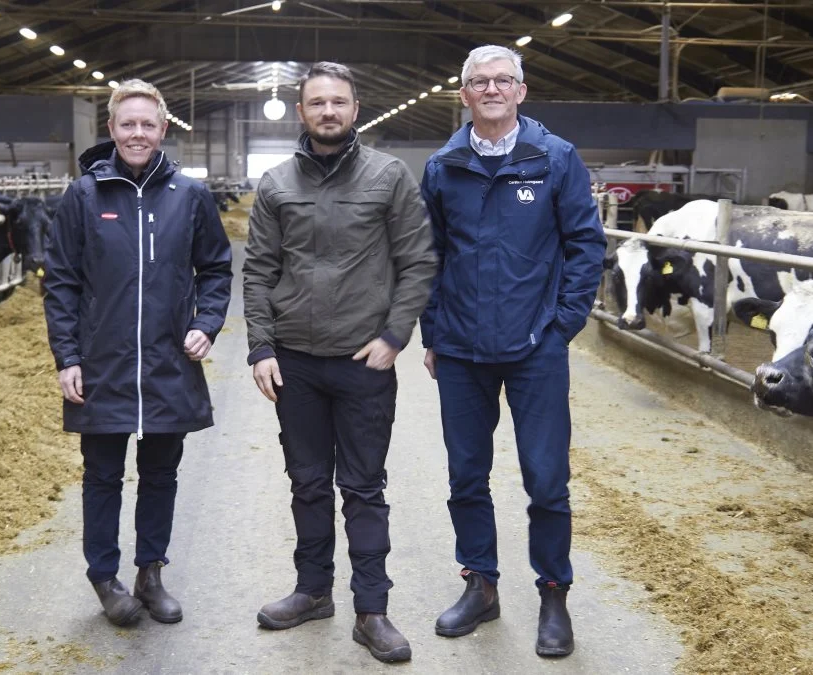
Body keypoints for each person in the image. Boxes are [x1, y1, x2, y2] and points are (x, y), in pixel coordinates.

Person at [242, 62, 436, 663]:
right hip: (296, 362)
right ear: (302, 111)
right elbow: (257, 271)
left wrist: (395, 335)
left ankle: (372, 609)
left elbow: (418, 261)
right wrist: (261, 346)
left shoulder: (389, 176)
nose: (328, 111)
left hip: (363, 362)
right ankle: (312, 591)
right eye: (317, 102)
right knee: (306, 482)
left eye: (339, 102)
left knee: (363, 486)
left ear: (356, 109)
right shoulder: (275, 184)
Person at [419, 45, 607, 657]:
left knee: (547, 478)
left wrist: (564, 325)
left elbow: (585, 245)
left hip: (535, 349)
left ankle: (553, 592)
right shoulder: (443, 165)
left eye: (504, 80)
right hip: (462, 349)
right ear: (465, 93)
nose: (493, 89)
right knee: (466, 475)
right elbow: (428, 256)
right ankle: (481, 584)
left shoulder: (555, 159)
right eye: (480, 81)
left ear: (522, 92)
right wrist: (433, 332)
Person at [42, 79, 232, 627]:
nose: (138, 133)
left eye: (148, 124)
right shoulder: (84, 195)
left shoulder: (189, 195)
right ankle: (105, 576)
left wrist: (208, 322)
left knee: (161, 473)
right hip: (102, 362)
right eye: (128, 124)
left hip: (169, 361)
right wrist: (68, 356)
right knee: (101, 473)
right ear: (112, 129)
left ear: (163, 128)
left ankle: (151, 573)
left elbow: (216, 268)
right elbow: (61, 281)